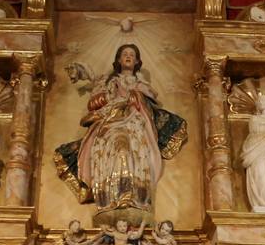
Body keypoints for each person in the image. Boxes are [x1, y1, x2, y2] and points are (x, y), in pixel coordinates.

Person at [53, 44, 187, 221]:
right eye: (125, 54)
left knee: (133, 157)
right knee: (113, 155)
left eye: (132, 54)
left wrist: (135, 97)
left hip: (135, 127)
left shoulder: (141, 85)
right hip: (110, 125)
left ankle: (133, 197)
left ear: (138, 61)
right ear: (118, 60)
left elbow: (147, 106)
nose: (128, 56)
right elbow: (93, 104)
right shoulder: (108, 82)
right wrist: (109, 96)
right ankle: (109, 198)